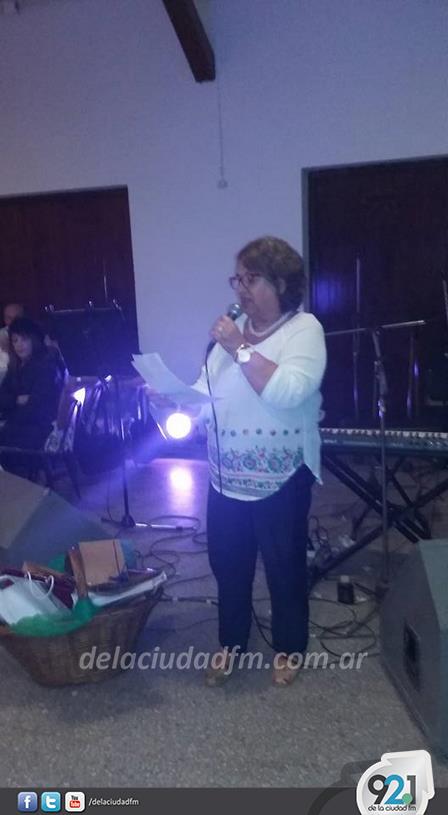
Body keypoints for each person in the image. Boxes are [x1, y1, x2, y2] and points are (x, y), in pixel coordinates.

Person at [191, 236, 327, 686]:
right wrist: (171, 398)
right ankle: (231, 642)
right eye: (238, 279)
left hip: (280, 476)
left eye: (252, 279)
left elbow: (288, 390)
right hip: (225, 477)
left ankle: (289, 646)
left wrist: (239, 349)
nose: (241, 289)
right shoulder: (230, 332)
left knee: (284, 565)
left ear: (282, 284)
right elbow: (205, 392)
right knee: (227, 564)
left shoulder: (303, 329)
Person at [0, 317, 66, 475]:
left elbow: (38, 406)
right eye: (15, 341)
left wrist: (10, 414)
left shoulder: (46, 366)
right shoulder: (16, 366)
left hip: (39, 430)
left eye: (24, 339)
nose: (19, 345)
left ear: (34, 339)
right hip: (20, 424)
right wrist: (17, 399)